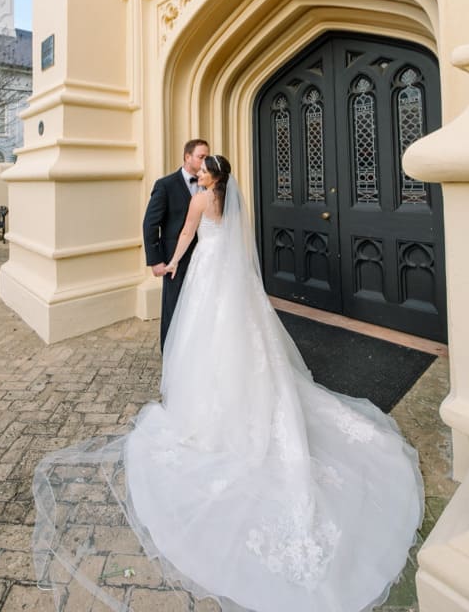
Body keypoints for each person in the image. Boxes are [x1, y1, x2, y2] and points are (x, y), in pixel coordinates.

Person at [32, 155, 424, 612]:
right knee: (245, 341)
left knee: (207, 341)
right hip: (233, 282)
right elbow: (236, 243)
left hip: (205, 278)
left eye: (202, 169)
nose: (196, 173)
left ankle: (213, 413)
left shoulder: (200, 199)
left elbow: (183, 237)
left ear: (210, 176)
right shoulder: (229, 199)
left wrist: (171, 264)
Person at [142, 138, 209, 350]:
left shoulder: (210, 184)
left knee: (199, 304)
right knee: (174, 305)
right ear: (187, 157)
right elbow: (150, 224)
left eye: (207, 156)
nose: (205, 161)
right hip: (174, 258)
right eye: (201, 156)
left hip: (205, 255)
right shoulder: (165, 185)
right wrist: (156, 260)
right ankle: (170, 352)